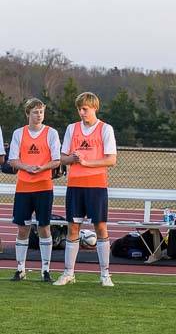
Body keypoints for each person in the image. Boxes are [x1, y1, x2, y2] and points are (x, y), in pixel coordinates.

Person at [53, 92, 117, 287]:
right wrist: (72, 159)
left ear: (94, 108)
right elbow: (61, 158)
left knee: (100, 227)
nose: (82, 112)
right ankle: (68, 273)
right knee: (73, 227)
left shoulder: (105, 129)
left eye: (85, 109)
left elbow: (111, 159)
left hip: (96, 185)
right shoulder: (72, 129)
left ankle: (105, 274)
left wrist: (87, 162)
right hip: (75, 185)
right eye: (79, 109)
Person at [7, 98, 62, 282]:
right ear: (27, 114)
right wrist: (26, 167)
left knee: (44, 226)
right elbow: (12, 160)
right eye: (35, 112)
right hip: (23, 187)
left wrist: (43, 167)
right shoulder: (19, 133)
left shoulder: (51, 133)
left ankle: (45, 270)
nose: (39, 115)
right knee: (23, 228)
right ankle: (20, 269)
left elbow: (57, 160)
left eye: (41, 112)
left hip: (44, 186)